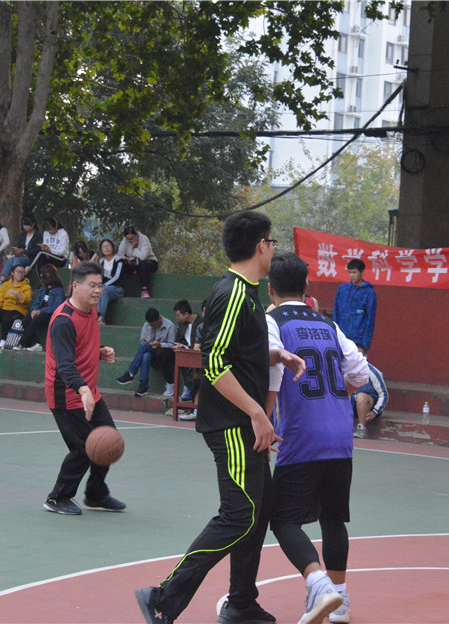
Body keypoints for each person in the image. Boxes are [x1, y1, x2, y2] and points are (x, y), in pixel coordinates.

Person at [134, 210, 305, 624]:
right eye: (272, 242)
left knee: (257, 512)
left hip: (244, 423)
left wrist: (273, 355)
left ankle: (241, 603)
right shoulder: (232, 294)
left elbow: (237, 352)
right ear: (261, 245)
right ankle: (162, 597)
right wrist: (257, 413)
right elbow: (214, 363)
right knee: (239, 515)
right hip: (232, 423)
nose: (273, 249)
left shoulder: (246, 294)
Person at [265, 252, 370, 624]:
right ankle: (341, 602)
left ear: (270, 288)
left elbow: (270, 367)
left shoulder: (272, 321)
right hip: (340, 434)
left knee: (282, 519)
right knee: (333, 518)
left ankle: (319, 584)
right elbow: (360, 374)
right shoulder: (329, 324)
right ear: (306, 286)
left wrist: (263, 418)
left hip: (302, 435)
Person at [42, 261, 126, 516]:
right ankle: (57, 497)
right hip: (66, 394)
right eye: (92, 285)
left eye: (100, 285)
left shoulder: (91, 310)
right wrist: (82, 390)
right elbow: (65, 365)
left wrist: (99, 352)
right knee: (83, 448)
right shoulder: (63, 321)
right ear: (75, 286)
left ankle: (96, 494)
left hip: (88, 391)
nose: (97, 290)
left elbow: (79, 346)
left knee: (109, 442)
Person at [116, 307, 177, 398]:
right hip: (150, 352)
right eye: (150, 325)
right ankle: (143, 386)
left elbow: (172, 345)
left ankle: (131, 373)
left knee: (145, 347)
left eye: (154, 325)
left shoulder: (170, 326)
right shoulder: (146, 325)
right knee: (146, 355)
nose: (152, 327)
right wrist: (146, 341)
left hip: (163, 354)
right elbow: (143, 342)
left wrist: (160, 344)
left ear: (159, 319)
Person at [16, 263, 67, 352]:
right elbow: (37, 301)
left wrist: (41, 311)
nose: (41, 276)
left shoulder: (59, 290)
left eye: (43, 273)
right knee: (26, 320)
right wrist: (34, 309)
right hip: (39, 312)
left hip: (50, 314)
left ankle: (21, 343)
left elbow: (57, 307)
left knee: (36, 320)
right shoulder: (43, 288)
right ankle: (35, 343)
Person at [332, 258, 377, 355]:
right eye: (349, 272)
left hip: (358, 342)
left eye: (354, 272)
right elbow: (336, 313)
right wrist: (334, 336)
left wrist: (364, 346)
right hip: (341, 339)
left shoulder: (369, 293)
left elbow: (370, 321)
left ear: (362, 272)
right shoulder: (342, 289)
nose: (351, 275)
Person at [0, 264, 32, 349]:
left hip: (18, 309)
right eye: (18, 272)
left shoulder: (26, 286)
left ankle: (4, 339)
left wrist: (16, 293)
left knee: (7, 319)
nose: (20, 274)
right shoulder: (5, 285)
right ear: (12, 273)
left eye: (22, 272)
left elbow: (26, 299)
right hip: (5, 308)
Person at [172, 299, 203, 403]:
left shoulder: (201, 324)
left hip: (197, 353)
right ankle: (188, 387)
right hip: (185, 352)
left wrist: (187, 347)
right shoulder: (181, 325)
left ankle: (191, 389)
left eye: (179, 315)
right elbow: (178, 340)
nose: (178, 318)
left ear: (186, 314)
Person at [119, 225, 159, 299]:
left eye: (132, 238)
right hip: (134, 263)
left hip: (149, 263)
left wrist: (134, 248)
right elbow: (120, 255)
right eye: (128, 239)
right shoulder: (125, 241)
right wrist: (127, 258)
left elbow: (143, 257)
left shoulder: (144, 239)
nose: (130, 241)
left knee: (143, 264)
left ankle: (144, 290)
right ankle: (121, 288)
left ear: (136, 235)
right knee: (120, 264)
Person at [352, 363, 388, 440]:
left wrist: (376, 411)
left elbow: (384, 395)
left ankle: (361, 428)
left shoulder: (372, 372)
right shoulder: (344, 369)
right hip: (352, 405)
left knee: (361, 396)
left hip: (368, 407)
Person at [1, 214, 42, 279]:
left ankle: (16, 279)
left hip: (30, 258)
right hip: (21, 256)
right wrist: (18, 250)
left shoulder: (38, 235)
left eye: (27, 225)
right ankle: (2, 279)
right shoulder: (23, 235)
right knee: (10, 260)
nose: (25, 227)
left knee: (16, 260)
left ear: (33, 224)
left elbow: (36, 250)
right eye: (23, 225)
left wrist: (24, 251)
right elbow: (20, 246)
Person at [96, 239, 125, 325]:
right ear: (101, 250)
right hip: (104, 288)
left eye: (108, 245)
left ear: (112, 247)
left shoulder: (118, 260)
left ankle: (101, 317)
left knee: (103, 291)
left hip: (117, 288)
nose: (107, 248)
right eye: (104, 246)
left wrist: (104, 285)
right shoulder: (100, 261)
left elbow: (117, 276)